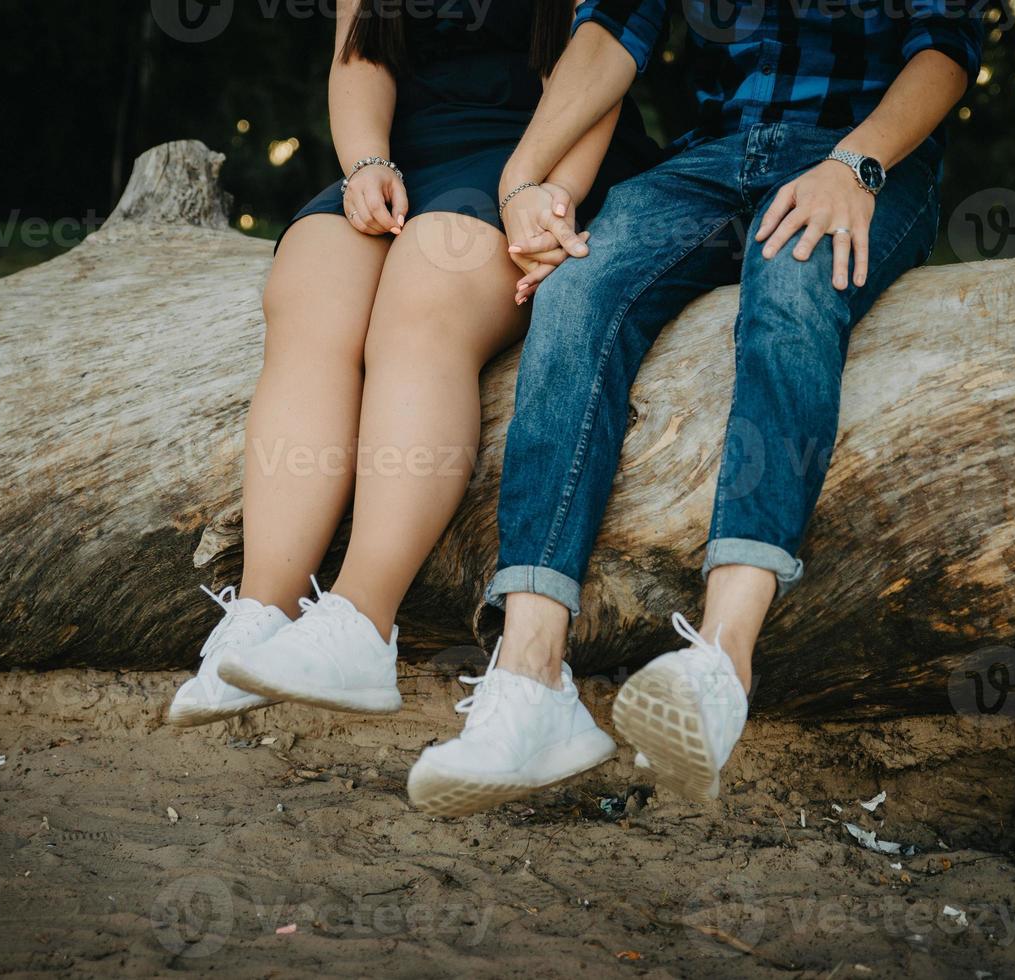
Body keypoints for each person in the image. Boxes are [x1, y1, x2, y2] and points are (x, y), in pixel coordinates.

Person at [407, 0, 987, 814]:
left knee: (791, 281)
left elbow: (947, 48)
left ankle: (721, 661)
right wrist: (522, 178)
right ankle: (530, 680)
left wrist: (855, 166)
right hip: (709, 162)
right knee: (572, 292)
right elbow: (613, 31)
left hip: (862, 158)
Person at [167, 0, 658, 727]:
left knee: (424, 293)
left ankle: (363, 623)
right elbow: (362, 55)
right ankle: (262, 612)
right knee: (308, 287)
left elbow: (599, 69)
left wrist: (554, 198)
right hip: (411, 153)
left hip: (538, 156)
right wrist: (366, 164)